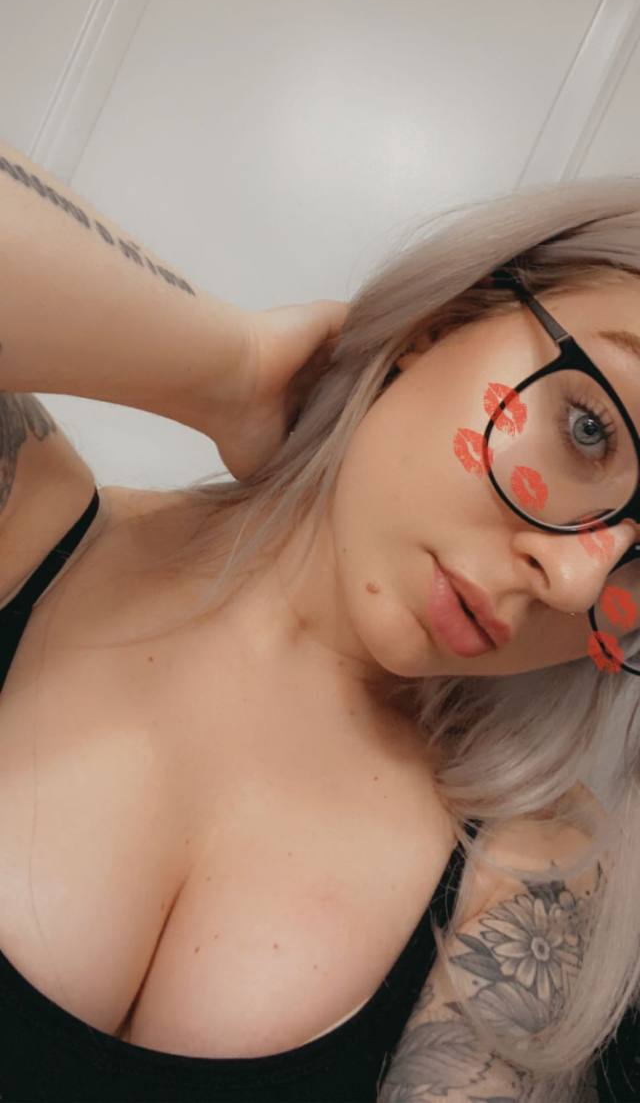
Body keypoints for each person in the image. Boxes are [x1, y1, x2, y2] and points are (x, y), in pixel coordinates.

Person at [0, 138, 639, 1102]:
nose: (577, 578)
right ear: (442, 322)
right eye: (590, 428)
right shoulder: (26, 526)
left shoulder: (531, 880)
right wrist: (231, 370)